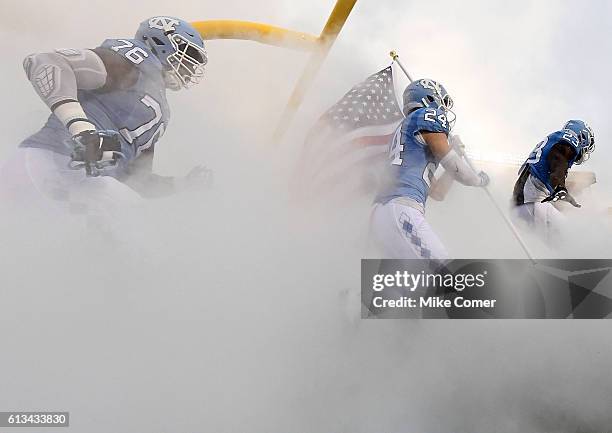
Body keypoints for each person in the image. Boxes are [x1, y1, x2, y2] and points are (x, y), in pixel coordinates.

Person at [0, 16, 211, 220]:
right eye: (188, 52)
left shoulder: (158, 107)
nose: (191, 65)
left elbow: (138, 180)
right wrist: (81, 129)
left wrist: (184, 183)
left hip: (84, 186)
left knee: (139, 226)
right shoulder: (131, 63)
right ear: (160, 41)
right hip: (49, 162)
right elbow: (46, 62)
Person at [370, 79, 489, 260]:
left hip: (385, 212)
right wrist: (479, 179)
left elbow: (437, 192)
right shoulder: (426, 115)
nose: (444, 109)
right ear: (430, 98)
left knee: (406, 284)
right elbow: (452, 164)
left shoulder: (407, 129)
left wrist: (454, 152)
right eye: (442, 102)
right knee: (443, 270)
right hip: (401, 208)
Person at [512, 120, 595, 243]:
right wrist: (560, 187)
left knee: (553, 240)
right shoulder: (569, 140)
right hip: (532, 200)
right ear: (582, 137)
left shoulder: (555, 140)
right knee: (573, 236)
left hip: (527, 197)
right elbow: (558, 159)